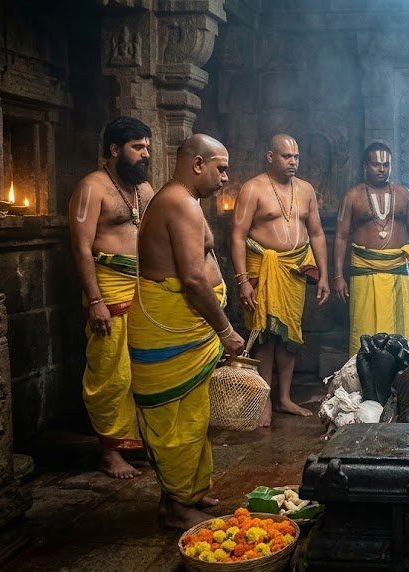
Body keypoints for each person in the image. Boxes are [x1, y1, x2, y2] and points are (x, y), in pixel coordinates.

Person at [128, 134, 245, 529]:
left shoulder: (184, 199)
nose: (225, 178)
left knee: (191, 415)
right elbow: (194, 280)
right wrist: (226, 330)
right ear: (197, 164)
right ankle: (179, 509)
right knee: (178, 420)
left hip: (184, 327)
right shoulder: (179, 202)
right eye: (221, 168)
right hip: (171, 328)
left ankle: (181, 495)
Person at [68, 116, 155, 479]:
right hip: (109, 289)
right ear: (115, 149)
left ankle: (134, 442)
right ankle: (109, 452)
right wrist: (94, 301)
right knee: (110, 373)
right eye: (138, 147)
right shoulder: (92, 187)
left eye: (147, 147)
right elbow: (81, 248)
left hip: (143, 290)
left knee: (141, 370)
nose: (145, 154)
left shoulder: (144, 189)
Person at [231, 134, 329, 424]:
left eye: (296, 156)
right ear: (270, 157)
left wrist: (324, 274)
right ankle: (264, 401)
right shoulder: (253, 188)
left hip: (294, 268)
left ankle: (284, 398)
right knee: (264, 335)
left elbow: (317, 234)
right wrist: (242, 281)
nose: (293, 162)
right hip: (262, 266)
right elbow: (237, 236)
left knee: (289, 335)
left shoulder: (306, 190)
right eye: (287, 156)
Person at [333, 142, 409, 356]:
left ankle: (398, 369)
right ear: (365, 166)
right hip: (364, 268)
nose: (382, 169)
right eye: (376, 164)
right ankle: (363, 369)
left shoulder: (403, 194)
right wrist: (338, 275)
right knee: (364, 326)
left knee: (398, 329)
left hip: (397, 268)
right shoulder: (353, 196)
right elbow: (340, 236)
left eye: (386, 165)